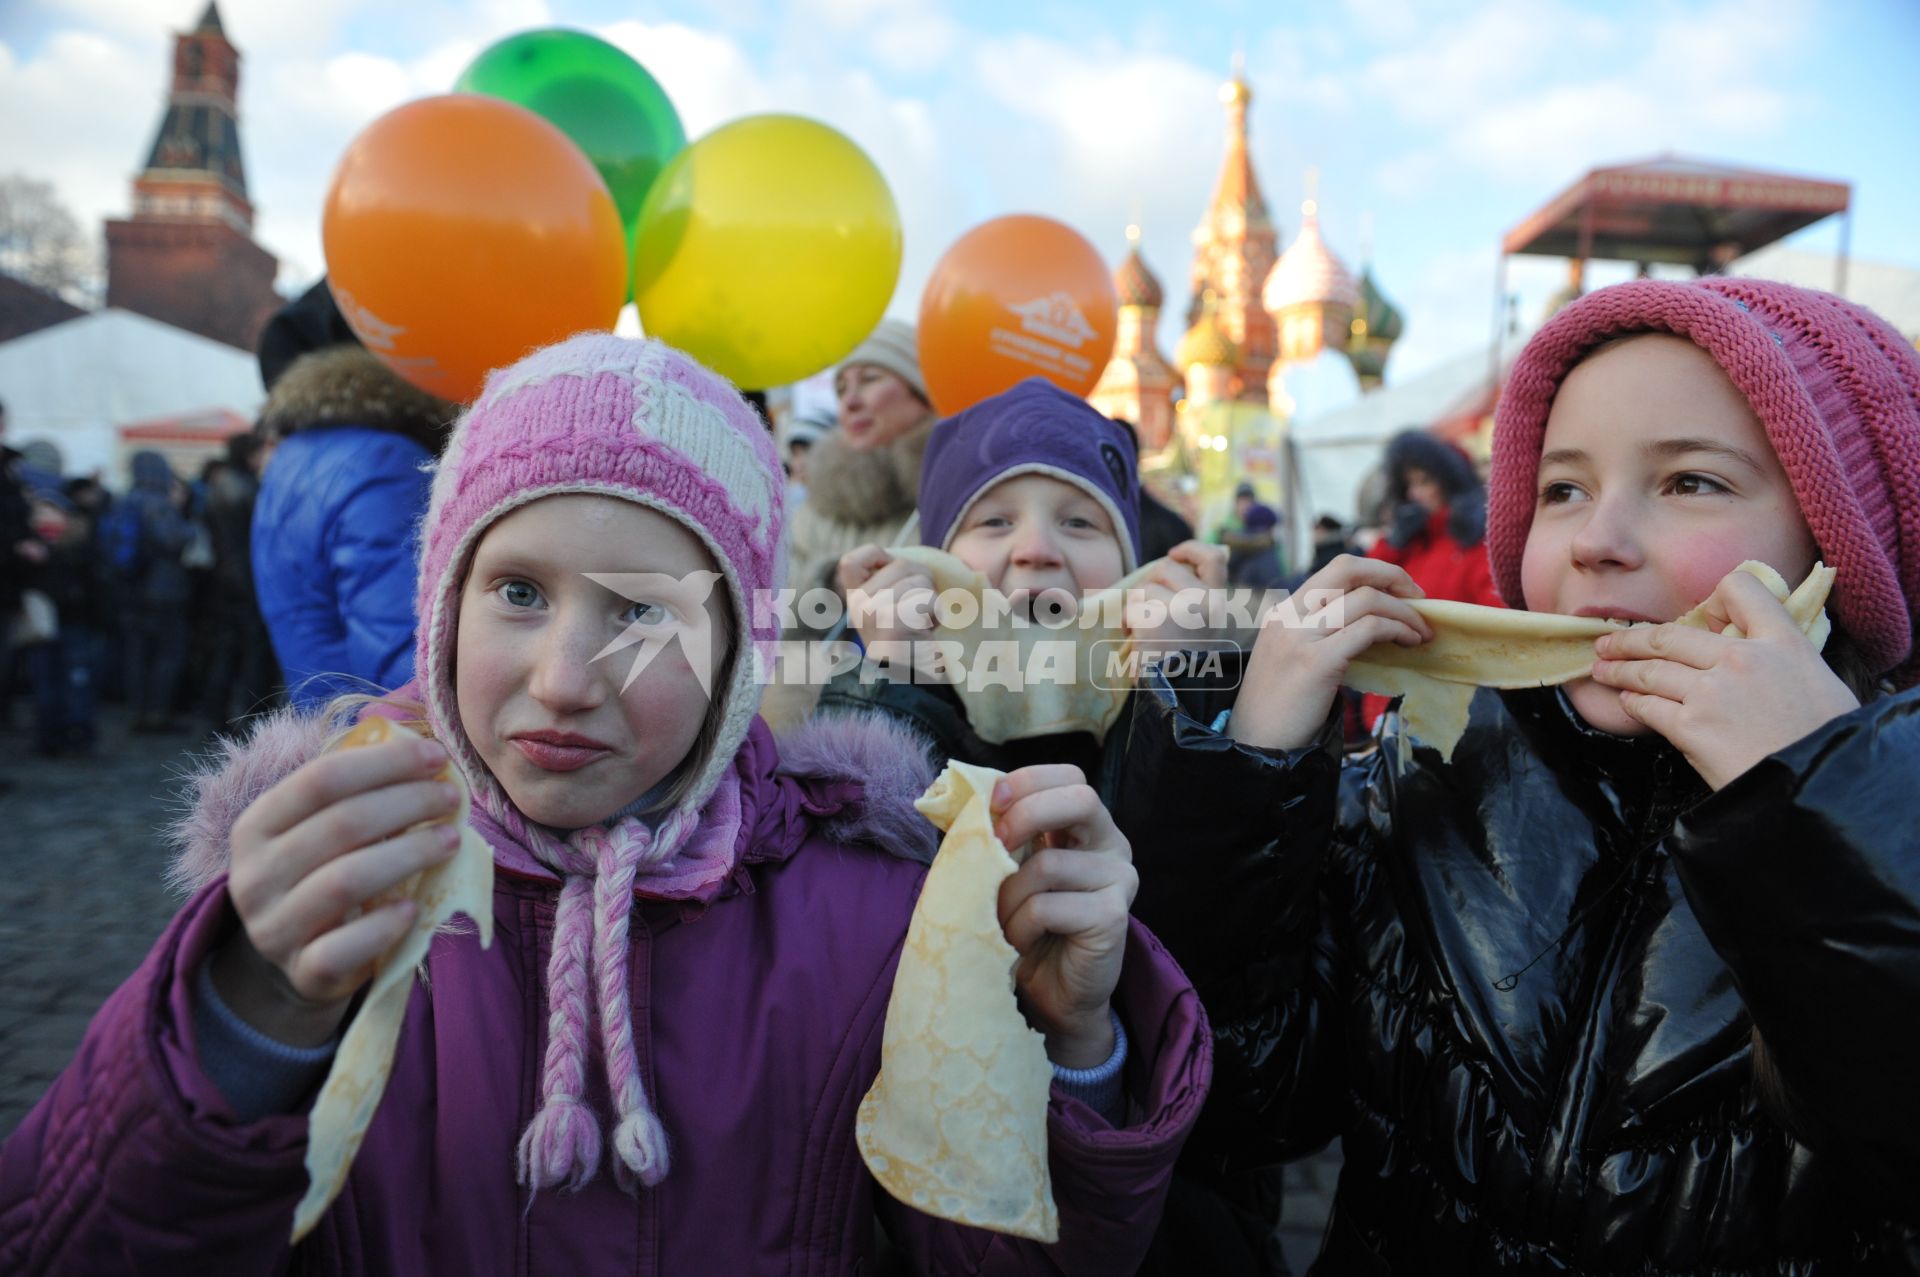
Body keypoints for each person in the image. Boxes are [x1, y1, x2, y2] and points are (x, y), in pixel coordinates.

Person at [0, 335, 1211, 1274]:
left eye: (643, 611)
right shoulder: (312, 891)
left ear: (740, 650)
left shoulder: (882, 916)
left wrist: (1071, 1048)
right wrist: (248, 1013)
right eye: (518, 589)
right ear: (442, 604)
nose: (565, 680)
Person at [1114, 278, 1920, 1271]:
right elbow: (1244, 1091)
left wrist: (1818, 803)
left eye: (1690, 482)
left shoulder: (1896, 822)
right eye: (1563, 489)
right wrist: (1250, 756)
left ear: (1841, 546)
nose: (1595, 541)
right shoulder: (1437, 773)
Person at [824, 377, 1227, 784]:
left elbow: (1202, 837)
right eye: (995, 521)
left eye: (1079, 522)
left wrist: (1173, 686)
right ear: (934, 563)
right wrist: (896, 678)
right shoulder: (886, 676)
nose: (1036, 549)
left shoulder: (1213, 702)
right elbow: (850, 834)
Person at [250, 281, 456, 709]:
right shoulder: (384, 458)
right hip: (391, 734)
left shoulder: (294, 456)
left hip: (331, 722)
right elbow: (401, 653)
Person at [784, 320, 938, 611]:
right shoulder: (813, 511)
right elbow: (768, 611)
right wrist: (830, 584)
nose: (850, 401)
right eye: (841, 389)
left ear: (923, 393)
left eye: (870, 379)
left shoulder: (961, 499)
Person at [200, 432, 279, 732]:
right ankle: (255, 717)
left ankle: (216, 714)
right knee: (254, 652)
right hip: (247, 578)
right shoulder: (247, 488)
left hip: (223, 577)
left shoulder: (218, 485)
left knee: (227, 652)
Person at [117, 449, 196, 733]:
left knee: (138, 655)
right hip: (164, 591)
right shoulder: (158, 503)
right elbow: (174, 541)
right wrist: (184, 516)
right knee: (167, 654)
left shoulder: (128, 500)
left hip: (134, 590)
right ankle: (158, 714)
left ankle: (139, 711)